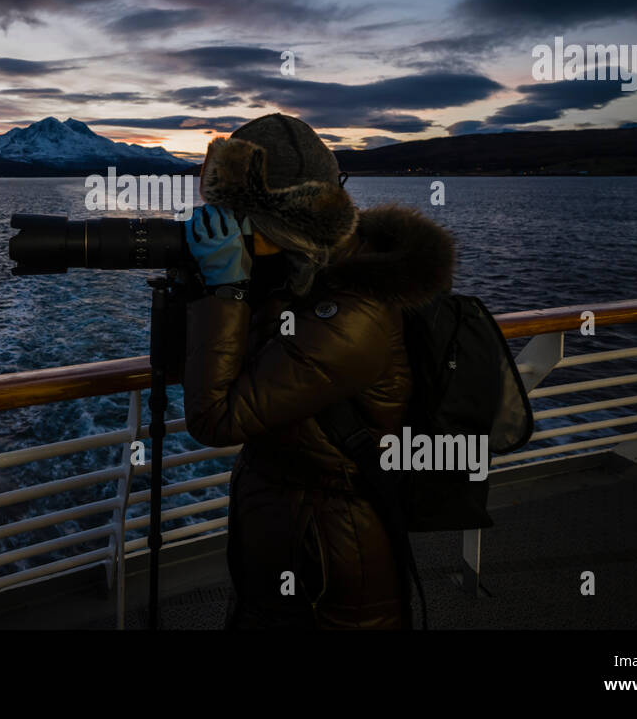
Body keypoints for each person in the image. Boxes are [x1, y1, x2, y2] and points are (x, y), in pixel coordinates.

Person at [181, 113, 456, 629]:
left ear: (274, 221)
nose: (225, 230)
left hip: (328, 549)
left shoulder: (351, 313)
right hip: (289, 521)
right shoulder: (304, 276)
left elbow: (215, 418)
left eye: (231, 218)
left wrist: (226, 290)